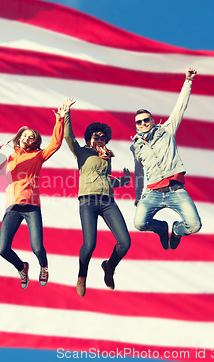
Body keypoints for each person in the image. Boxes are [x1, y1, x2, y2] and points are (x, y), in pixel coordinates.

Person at [0, 101, 66, 289]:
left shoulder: (38, 155)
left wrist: (60, 120)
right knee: (3, 249)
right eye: (25, 136)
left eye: (31, 137)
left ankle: (43, 266)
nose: (27, 138)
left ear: (35, 142)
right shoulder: (11, 158)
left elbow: (55, 144)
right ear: (19, 137)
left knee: (37, 247)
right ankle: (22, 267)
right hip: (13, 206)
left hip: (31, 206)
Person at [63, 98, 132, 296]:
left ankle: (109, 267)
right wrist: (66, 114)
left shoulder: (106, 156)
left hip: (107, 201)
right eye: (96, 136)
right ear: (89, 138)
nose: (100, 139)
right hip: (87, 201)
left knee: (125, 242)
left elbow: (107, 180)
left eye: (103, 137)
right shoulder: (82, 152)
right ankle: (82, 275)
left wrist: (124, 180)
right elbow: (68, 137)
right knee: (90, 244)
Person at [131, 67, 202, 251]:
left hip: (175, 190)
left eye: (146, 120)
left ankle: (176, 231)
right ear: (136, 126)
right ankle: (162, 228)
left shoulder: (167, 131)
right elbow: (139, 172)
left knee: (194, 225)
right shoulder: (136, 147)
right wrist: (139, 195)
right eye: (139, 121)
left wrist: (188, 81)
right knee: (139, 224)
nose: (143, 123)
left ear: (153, 120)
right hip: (153, 192)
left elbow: (180, 107)